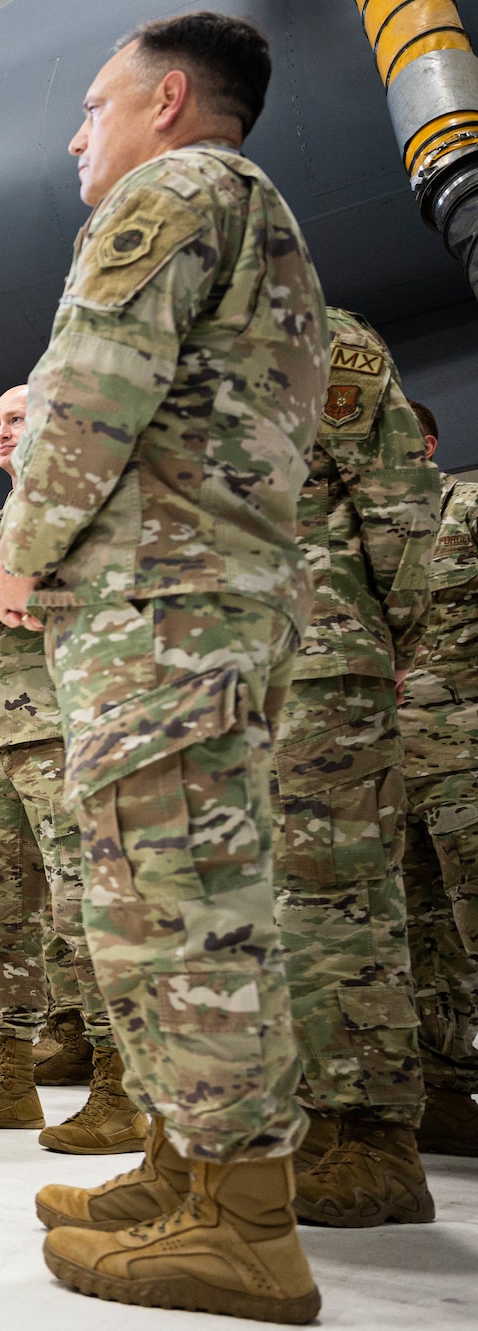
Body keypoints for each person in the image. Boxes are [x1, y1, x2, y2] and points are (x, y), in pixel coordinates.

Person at [0, 15, 327, 1320]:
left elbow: (88, 392)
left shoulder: (175, 189)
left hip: (164, 616)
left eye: (94, 106)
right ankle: (187, 1166)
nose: (80, 134)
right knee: (174, 903)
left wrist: (22, 551)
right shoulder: (252, 213)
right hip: (200, 609)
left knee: (179, 910)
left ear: (168, 100)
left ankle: (245, 1227)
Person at [0, 385, 139, 1154]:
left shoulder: (94, 509)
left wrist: (41, 590)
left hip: (70, 735)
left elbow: (120, 592)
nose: (2, 433)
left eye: (17, 418)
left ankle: (117, 1086)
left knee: (85, 912)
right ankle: (14, 1077)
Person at [275, 309, 441, 1227]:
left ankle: (374, 1140)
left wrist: (375, 633)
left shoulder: (322, 339)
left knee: (336, 900)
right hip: (216, 674)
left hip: (317, 652)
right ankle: (305, 1123)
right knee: (268, 908)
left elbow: (401, 512)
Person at [396, 398, 478, 1157]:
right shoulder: (366, 539)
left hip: (464, 765)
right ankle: (445, 1093)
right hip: (388, 778)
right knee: (420, 943)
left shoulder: (468, 507)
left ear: (425, 442)